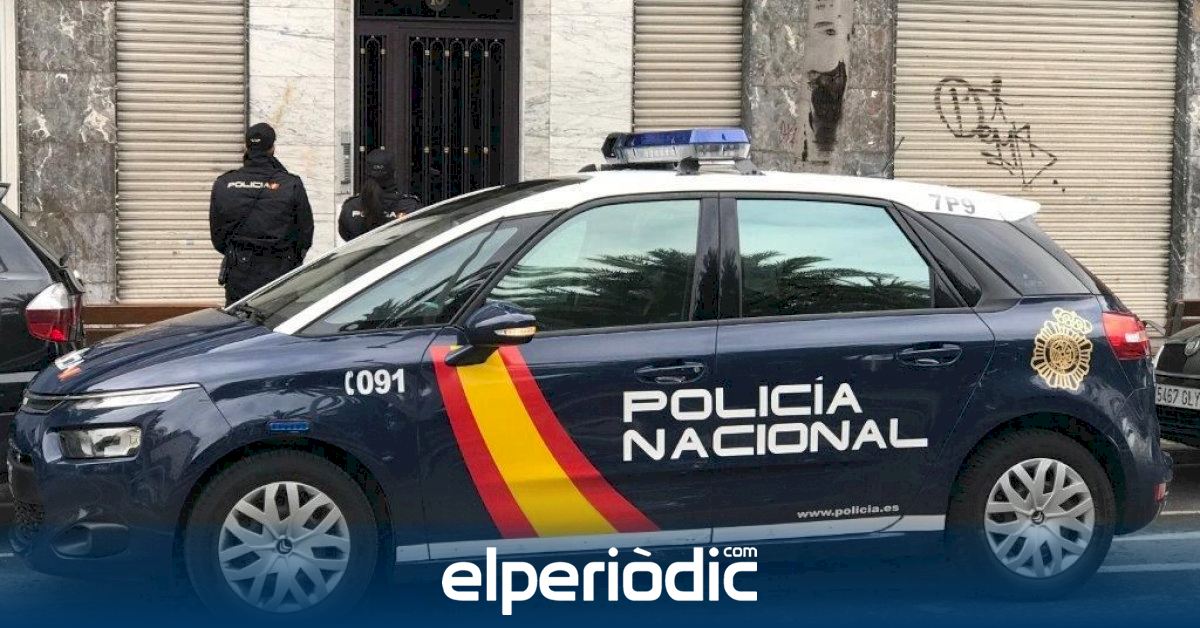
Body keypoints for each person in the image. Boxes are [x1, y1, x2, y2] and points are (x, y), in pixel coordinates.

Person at [210, 122, 313, 306]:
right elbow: (305, 233)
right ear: (272, 148)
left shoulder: (224, 183)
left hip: (239, 274)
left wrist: (238, 253)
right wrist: (291, 259)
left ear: (246, 147)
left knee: (240, 321)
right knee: (280, 320)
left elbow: (217, 235)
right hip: (280, 272)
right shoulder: (290, 184)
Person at [338, 148, 422, 241]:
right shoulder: (411, 207)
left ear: (366, 173)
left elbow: (346, 236)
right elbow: (418, 237)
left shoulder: (350, 207)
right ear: (394, 173)